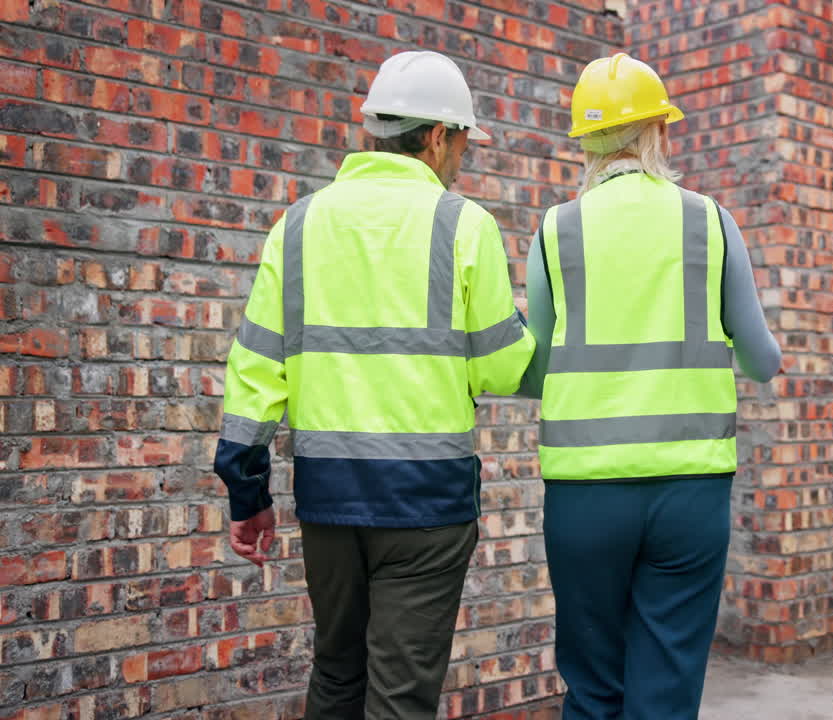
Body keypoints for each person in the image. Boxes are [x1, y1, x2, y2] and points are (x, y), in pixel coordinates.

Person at [214, 51, 535, 720]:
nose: (464, 158)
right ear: (439, 136)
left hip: (330, 502)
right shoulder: (462, 225)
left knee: (336, 675)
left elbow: (254, 372)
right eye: (465, 142)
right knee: (399, 696)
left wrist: (248, 493)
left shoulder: (297, 227)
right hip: (427, 506)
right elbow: (504, 366)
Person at [520, 53, 782, 720]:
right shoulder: (708, 222)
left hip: (584, 495)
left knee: (592, 686)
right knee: (665, 689)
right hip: (688, 493)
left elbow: (542, 361)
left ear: (586, 141)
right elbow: (763, 361)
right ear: (657, 132)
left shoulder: (557, 230)